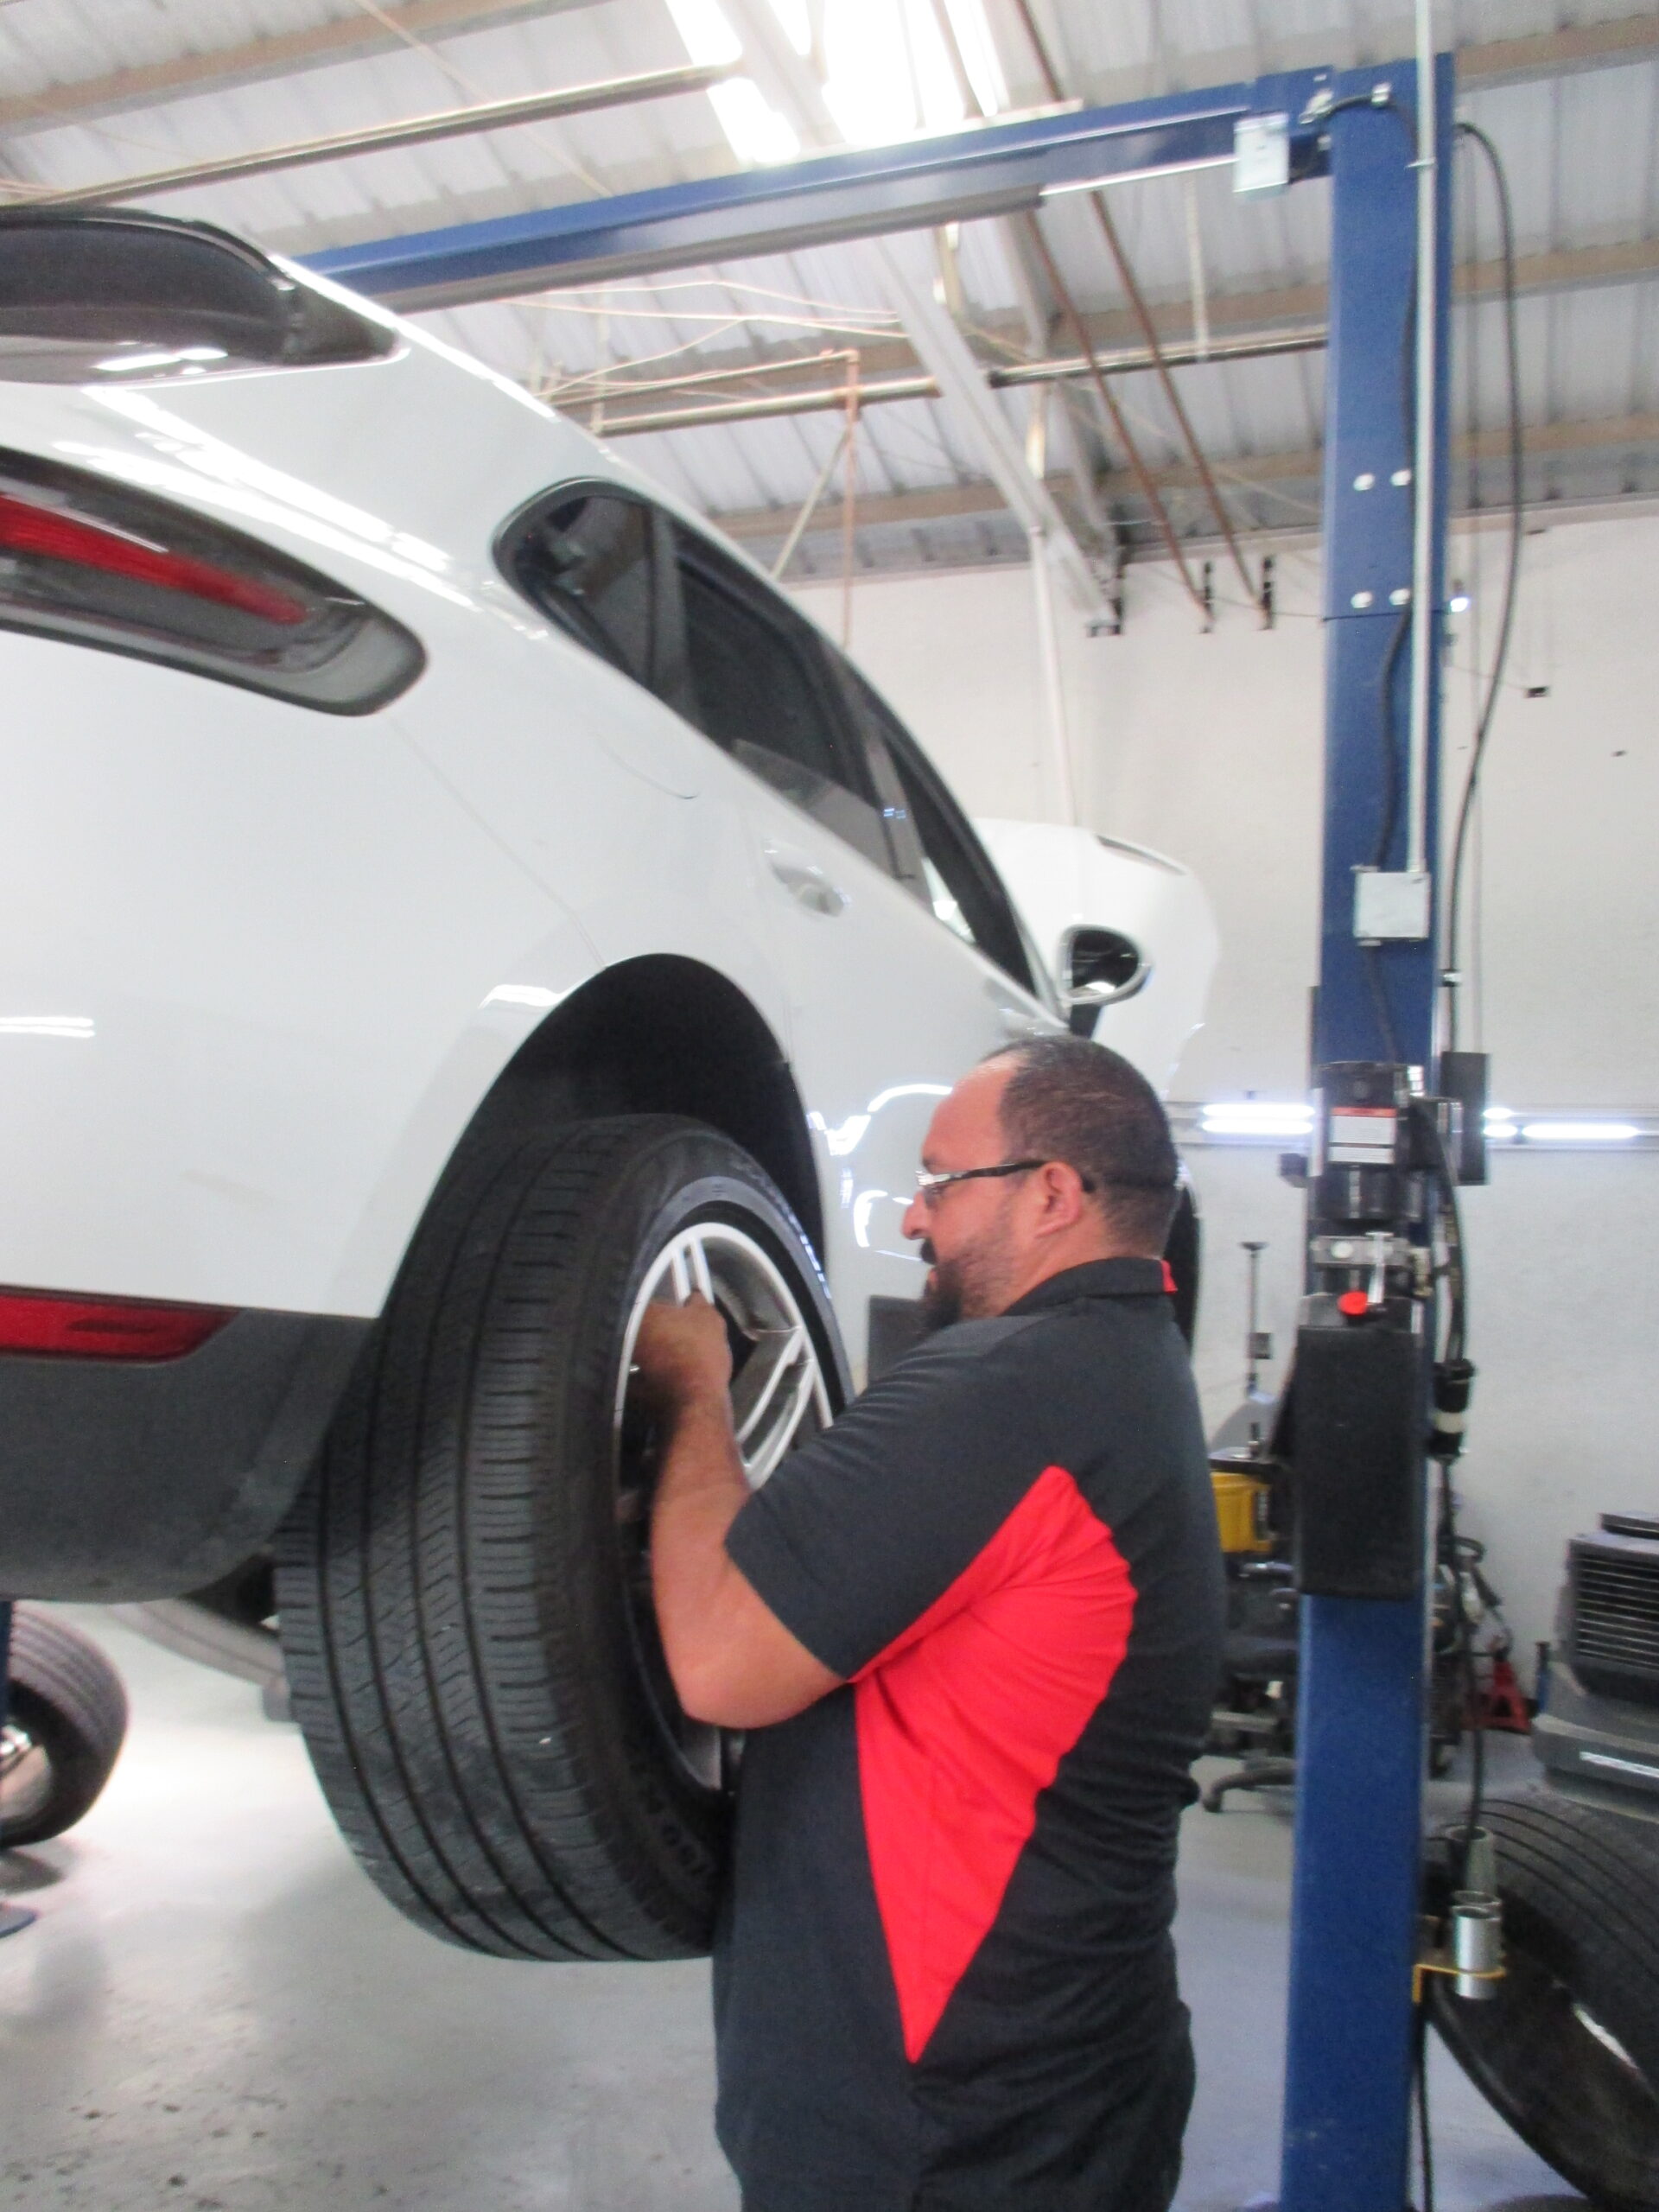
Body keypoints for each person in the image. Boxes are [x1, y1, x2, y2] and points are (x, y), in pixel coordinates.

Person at [632, 1034, 1225, 2212]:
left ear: (1052, 1194)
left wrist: (693, 1389)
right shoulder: (1123, 1370)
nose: (915, 1219)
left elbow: (722, 1663)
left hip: (945, 2130)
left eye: (942, 1182)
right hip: (1054, 2083)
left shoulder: (1006, 1386)